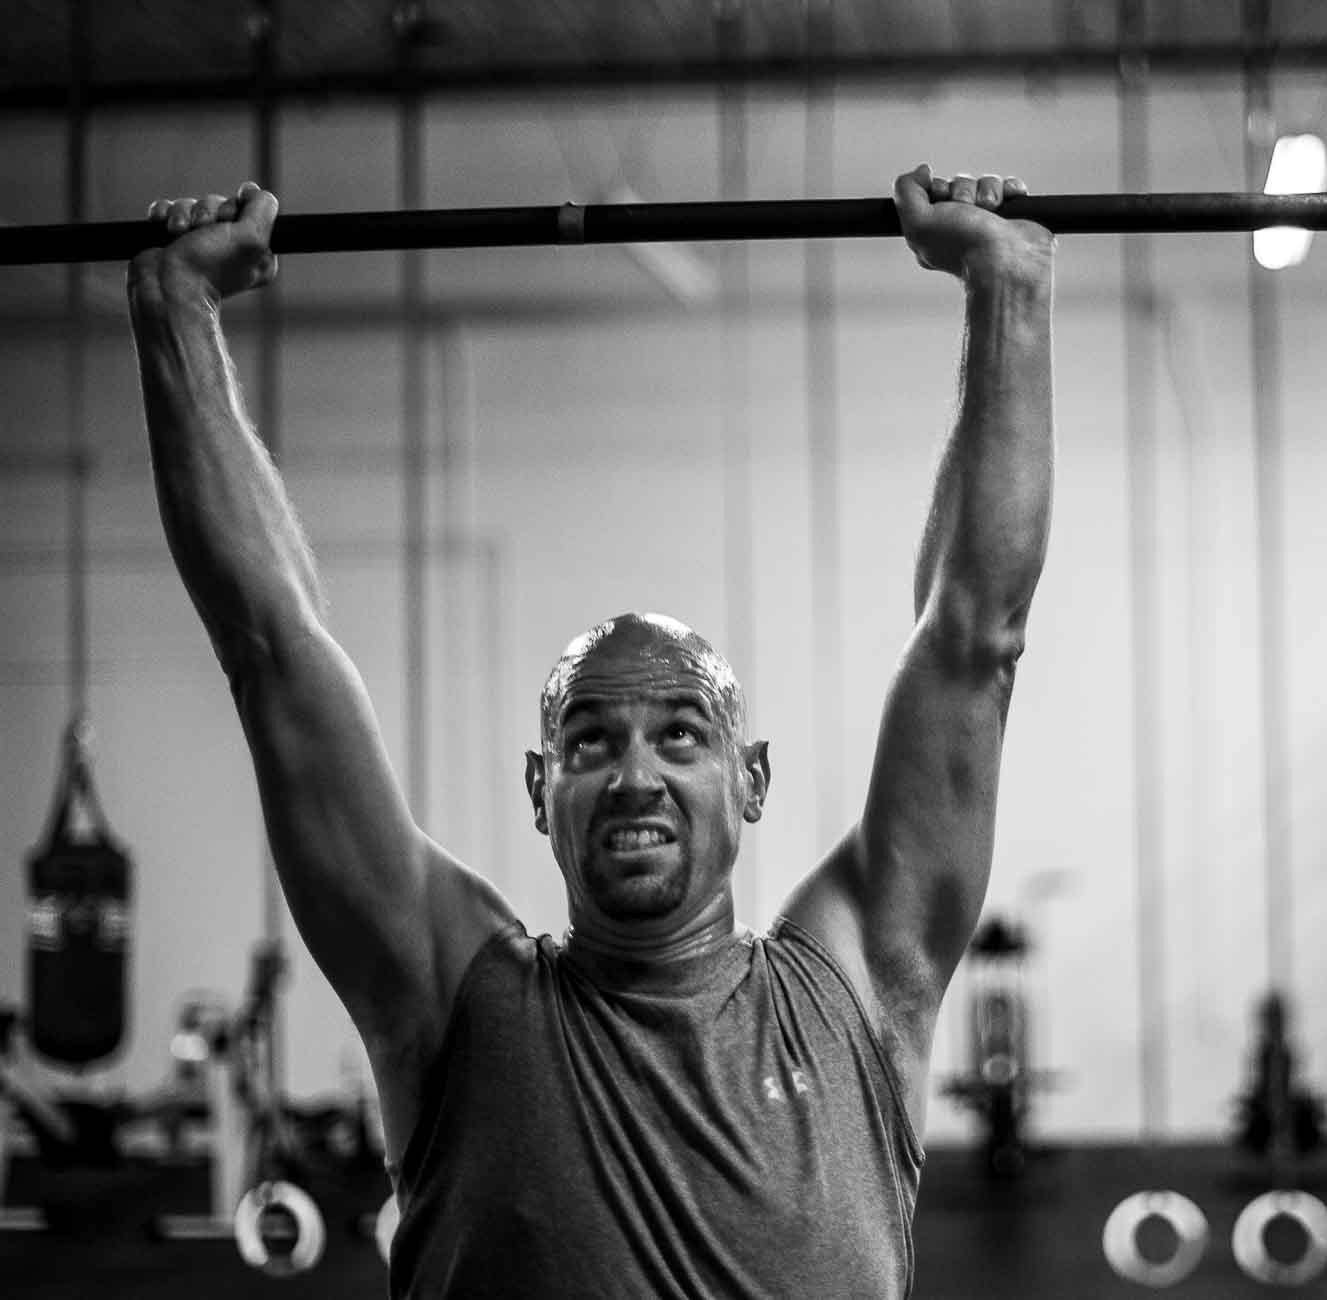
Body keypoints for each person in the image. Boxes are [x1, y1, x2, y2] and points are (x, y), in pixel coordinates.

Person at [125, 164, 1055, 1298]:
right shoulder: (454, 1002)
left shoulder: (861, 984)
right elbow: (272, 653)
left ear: (750, 776)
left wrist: (1006, 288)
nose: (633, 776)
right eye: (587, 741)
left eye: (680, 733)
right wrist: (175, 315)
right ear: (538, 786)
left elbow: (973, 645)